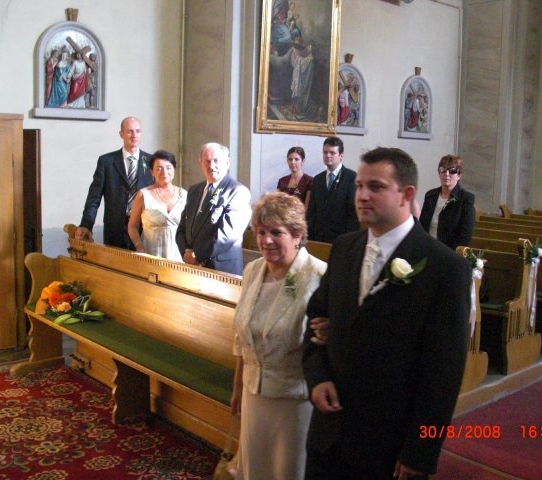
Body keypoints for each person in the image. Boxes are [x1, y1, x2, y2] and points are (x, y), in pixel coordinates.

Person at [303, 147, 471, 479]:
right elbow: (316, 319)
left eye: (376, 187)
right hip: (329, 433)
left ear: (406, 195)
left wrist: (420, 453)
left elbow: (443, 373)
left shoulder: (445, 267)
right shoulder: (345, 247)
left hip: (388, 443)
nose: (362, 195)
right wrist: (317, 377)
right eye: (359, 186)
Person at [231, 192, 326, 480]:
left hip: (293, 401)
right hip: (253, 395)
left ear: (297, 235)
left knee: (286, 471)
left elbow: (327, 345)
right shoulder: (253, 270)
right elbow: (242, 337)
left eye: (276, 232)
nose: (266, 240)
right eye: (261, 232)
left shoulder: (318, 276)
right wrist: (237, 387)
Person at [75, 116, 154, 249]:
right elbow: (94, 197)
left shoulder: (151, 161)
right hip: (115, 229)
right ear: (121, 134)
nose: (134, 135)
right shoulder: (106, 162)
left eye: (138, 131)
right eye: (130, 131)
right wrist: (86, 224)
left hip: (144, 229)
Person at [176, 142, 251, 275]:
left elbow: (227, 235)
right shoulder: (194, 190)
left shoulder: (238, 191)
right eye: (207, 161)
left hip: (221, 269)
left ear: (227, 163)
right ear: (201, 164)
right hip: (192, 267)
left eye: (216, 160)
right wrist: (185, 252)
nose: (211, 166)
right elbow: (182, 228)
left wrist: (196, 255)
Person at [127, 150, 187, 261]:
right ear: (152, 172)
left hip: (178, 255)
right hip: (150, 253)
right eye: (159, 169)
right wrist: (139, 246)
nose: (164, 172)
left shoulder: (184, 195)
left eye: (168, 168)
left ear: (174, 170)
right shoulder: (143, 194)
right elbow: (132, 226)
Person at [306, 136, 359, 243]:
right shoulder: (317, 179)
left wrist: (348, 241)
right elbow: (311, 212)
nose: (328, 155)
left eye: (332, 153)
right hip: (317, 238)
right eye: (325, 152)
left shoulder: (351, 178)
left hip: (340, 239)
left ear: (341, 155)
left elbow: (352, 215)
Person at [419, 154, 475, 251]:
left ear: (459, 175)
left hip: (450, 253)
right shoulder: (430, 196)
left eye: (452, 170)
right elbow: (422, 227)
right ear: (439, 173)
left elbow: (464, 237)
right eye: (443, 170)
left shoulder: (466, 199)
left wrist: (444, 253)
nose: (447, 174)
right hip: (427, 250)